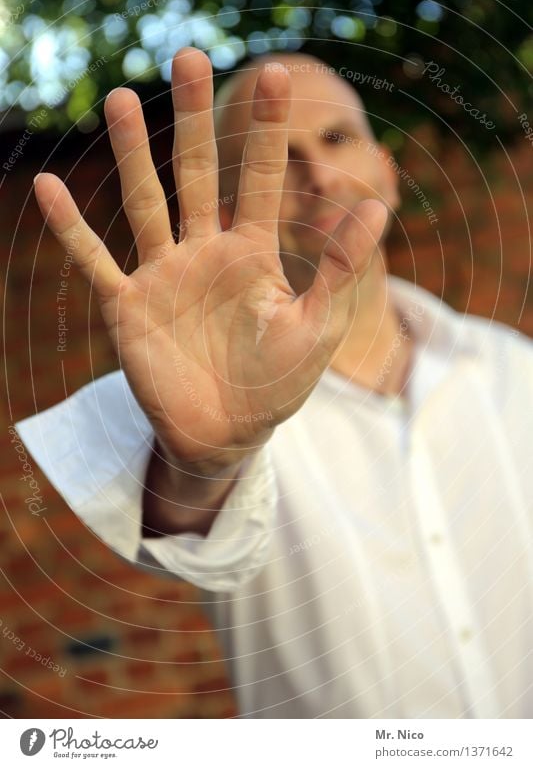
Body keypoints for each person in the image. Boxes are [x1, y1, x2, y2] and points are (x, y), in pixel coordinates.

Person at [16, 48, 533, 719]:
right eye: (277, 157)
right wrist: (205, 463)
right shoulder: (207, 389)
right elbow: (179, 522)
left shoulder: (510, 367)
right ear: (229, 212)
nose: (317, 174)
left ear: (386, 169)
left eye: (337, 138)